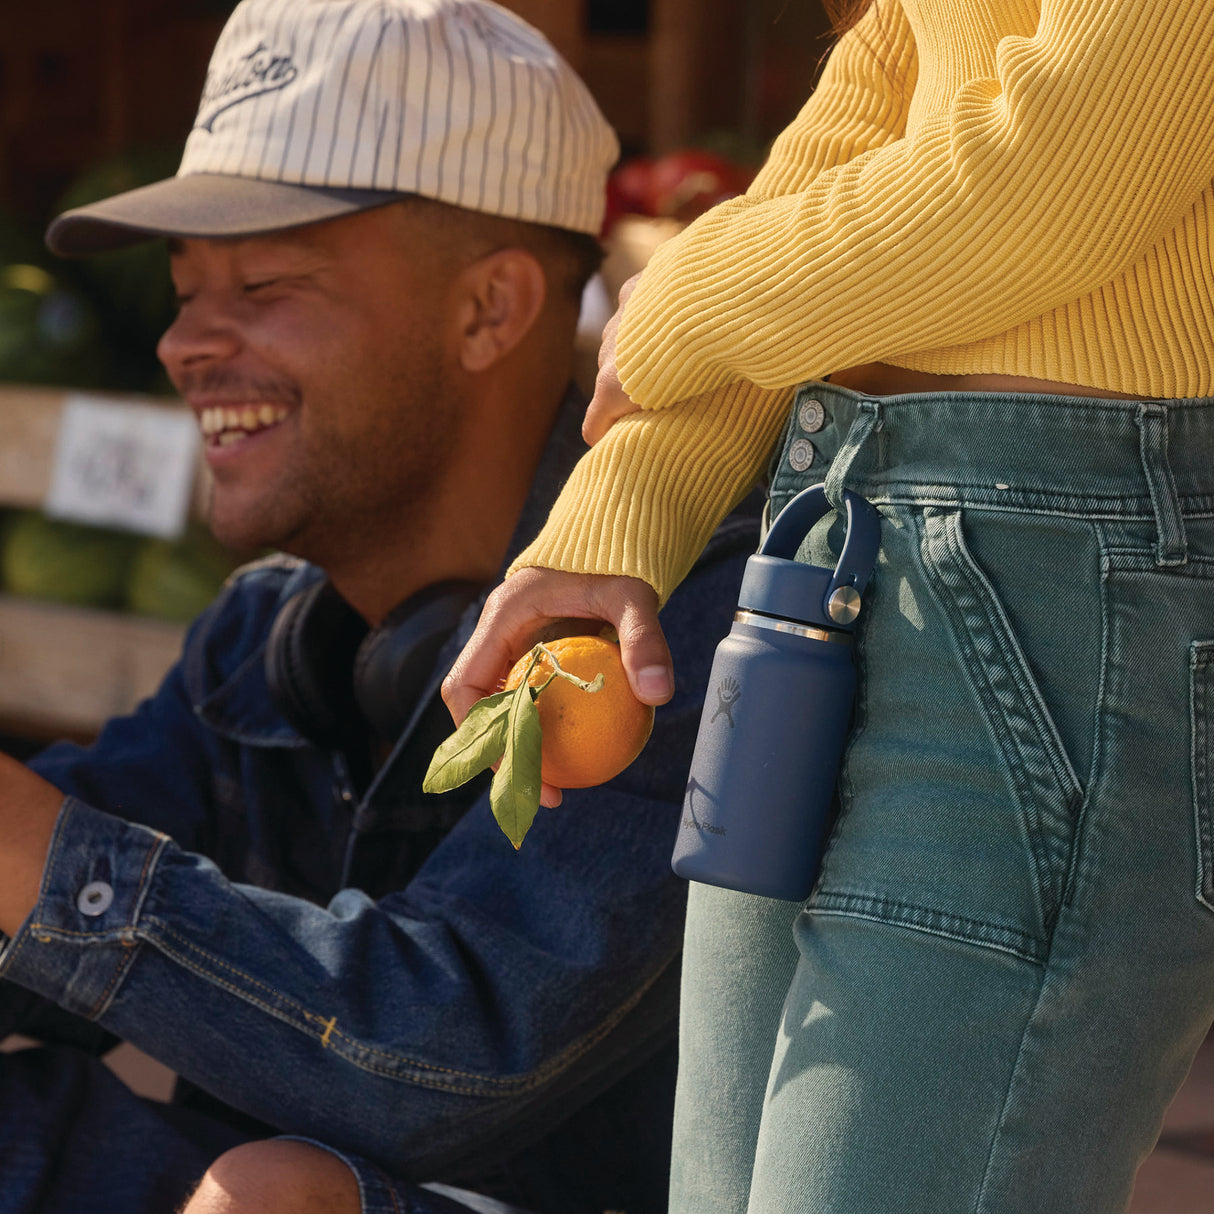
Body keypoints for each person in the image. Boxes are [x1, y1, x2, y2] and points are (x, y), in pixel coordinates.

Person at [443, 0, 1214, 1210]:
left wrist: (681, 296)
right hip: (836, 555)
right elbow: (845, 147)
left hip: (1060, 586)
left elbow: (1051, 183)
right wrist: (615, 521)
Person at [0, 2, 762, 1212]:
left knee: (277, 1197)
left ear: (489, 311)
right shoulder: (265, 634)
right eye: (185, 289)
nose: (182, 343)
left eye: (260, 281)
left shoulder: (678, 632)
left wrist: (26, 845)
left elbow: (446, 1059)